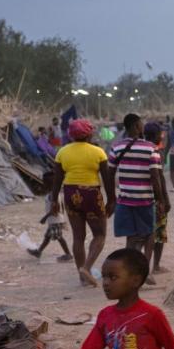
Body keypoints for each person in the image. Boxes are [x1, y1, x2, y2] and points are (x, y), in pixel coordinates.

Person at [51, 119, 115, 287]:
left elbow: (57, 179)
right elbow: (107, 179)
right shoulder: (98, 152)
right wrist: (112, 200)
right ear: (89, 134)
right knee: (99, 234)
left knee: (78, 237)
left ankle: (82, 276)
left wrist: (53, 200)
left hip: (70, 194)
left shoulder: (62, 152)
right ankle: (86, 267)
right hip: (91, 194)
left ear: (71, 135)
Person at [107, 114, 168, 285]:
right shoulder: (150, 148)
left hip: (125, 200)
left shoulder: (116, 147)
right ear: (135, 126)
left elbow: (109, 174)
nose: (142, 125)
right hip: (145, 201)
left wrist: (111, 198)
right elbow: (155, 177)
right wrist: (161, 200)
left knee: (131, 238)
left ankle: (126, 272)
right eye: (140, 123)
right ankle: (144, 271)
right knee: (149, 235)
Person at [143, 122, 170, 276]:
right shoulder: (154, 151)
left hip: (140, 199)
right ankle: (155, 266)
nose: (162, 136)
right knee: (158, 233)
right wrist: (163, 200)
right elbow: (158, 178)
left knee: (143, 235)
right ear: (155, 135)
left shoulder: (140, 148)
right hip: (153, 199)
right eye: (161, 134)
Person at [28, 170, 73, 262]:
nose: (43, 184)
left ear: (49, 184)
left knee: (59, 237)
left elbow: (55, 209)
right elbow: (61, 207)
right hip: (55, 220)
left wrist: (44, 218)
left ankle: (68, 254)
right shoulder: (53, 193)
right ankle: (39, 252)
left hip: (55, 220)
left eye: (45, 183)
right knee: (47, 237)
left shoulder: (53, 194)